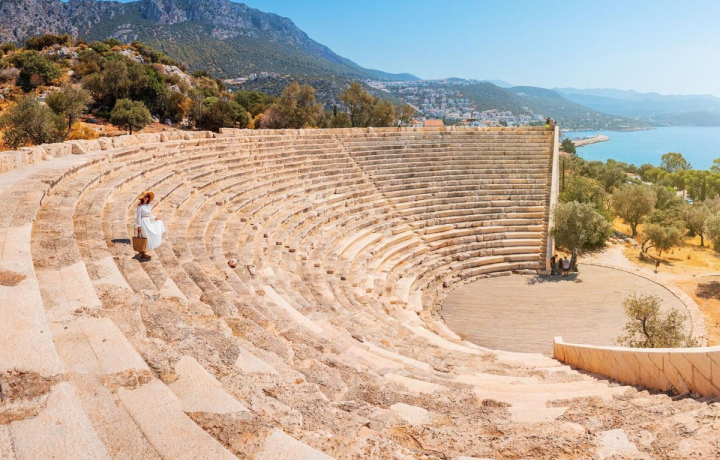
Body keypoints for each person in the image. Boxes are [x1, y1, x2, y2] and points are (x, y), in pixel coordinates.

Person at [135, 191, 165, 260]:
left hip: (148, 222)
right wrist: (138, 226)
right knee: (144, 237)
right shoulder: (140, 207)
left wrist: (155, 218)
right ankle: (143, 253)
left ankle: (143, 252)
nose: (146, 198)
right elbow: (138, 217)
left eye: (147, 197)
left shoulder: (148, 205)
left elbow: (149, 215)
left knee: (150, 235)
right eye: (145, 197)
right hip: (143, 223)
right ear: (142, 198)